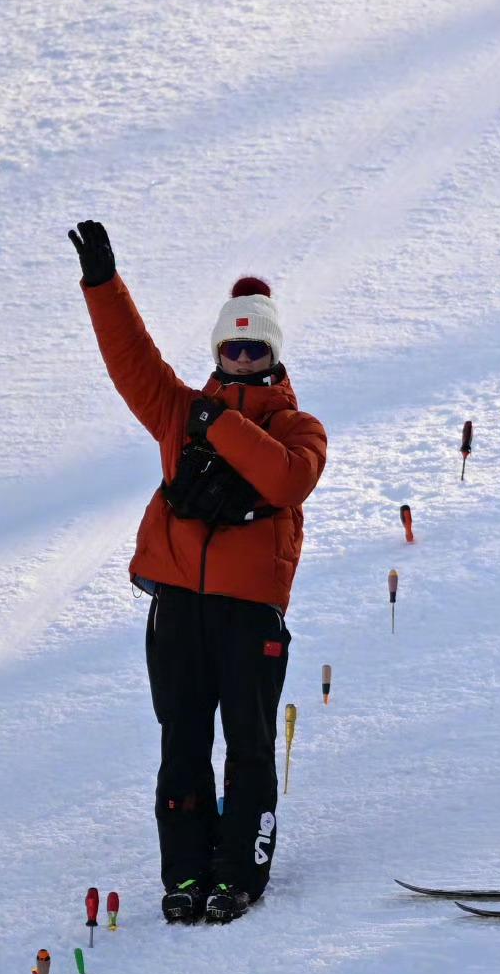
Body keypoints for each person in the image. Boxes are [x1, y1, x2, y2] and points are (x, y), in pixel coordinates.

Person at [68, 220, 327, 924]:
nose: (241, 356)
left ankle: (238, 873)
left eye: (255, 347)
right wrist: (102, 282)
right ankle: (184, 874)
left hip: (249, 615)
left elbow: (283, 481)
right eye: (230, 346)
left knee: (248, 744)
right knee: (181, 741)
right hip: (178, 608)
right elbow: (131, 361)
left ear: (272, 355)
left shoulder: (298, 429)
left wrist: (219, 426)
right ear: (218, 350)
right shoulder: (178, 412)